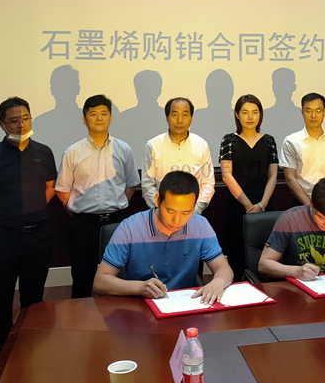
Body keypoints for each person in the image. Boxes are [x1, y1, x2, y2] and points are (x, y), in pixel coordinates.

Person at [0, 97, 57, 358]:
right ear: (2, 125)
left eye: (25, 118)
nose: (21, 125)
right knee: (1, 298)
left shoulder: (44, 152)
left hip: (38, 235)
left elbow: (49, 188)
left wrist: (31, 211)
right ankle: (4, 354)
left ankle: (33, 346)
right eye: (14, 121)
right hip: (3, 239)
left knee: (34, 298)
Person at [93, 171, 234, 304]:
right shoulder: (130, 228)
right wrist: (140, 287)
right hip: (140, 305)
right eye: (170, 211)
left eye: (186, 212)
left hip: (186, 303)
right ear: (158, 200)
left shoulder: (201, 226)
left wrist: (218, 281)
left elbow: (224, 269)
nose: (177, 220)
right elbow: (100, 282)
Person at [54, 94, 140, 298]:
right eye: (93, 114)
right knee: (82, 277)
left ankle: (119, 316)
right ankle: (82, 316)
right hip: (84, 225)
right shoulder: (72, 152)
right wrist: (78, 211)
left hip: (116, 222)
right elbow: (62, 190)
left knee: (119, 276)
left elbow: (131, 184)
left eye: (104, 113)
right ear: (84, 120)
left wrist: (119, 204)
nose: (99, 118)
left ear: (111, 118)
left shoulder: (124, 149)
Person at [258, 177, 325, 281]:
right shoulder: (289, 220)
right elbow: (264, 264)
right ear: (311, 203)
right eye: (321, 218)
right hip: (294, 286)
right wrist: (296, 271)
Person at [219, 94, 278, 275]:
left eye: (255, 112)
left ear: (260, 114)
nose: (250, 117)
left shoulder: (269, 140)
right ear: (237, 115)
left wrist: (262, 205)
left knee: (265, 251)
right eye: (245, 112)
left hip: (264, 204)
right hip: (238, 204)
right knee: (237, 251)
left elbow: (273, 176)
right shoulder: (228, 140)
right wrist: (248, 206)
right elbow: (227, 175)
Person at [142, 97, 215, 214]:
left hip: (194, 214)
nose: (180, 120)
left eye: (185, 115)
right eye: (175, 115)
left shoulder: (201, 145)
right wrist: (162, 208)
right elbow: (147, 184)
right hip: (162, 215)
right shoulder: (153, 145)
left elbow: (208, 183)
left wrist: (195, 209)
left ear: (191, 118)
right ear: (167, 117)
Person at [279, 92, 325, 205]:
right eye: (309, 111)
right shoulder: (291, 141)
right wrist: (309, 205)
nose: (313, 115)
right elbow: (290, 178)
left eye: (318, 110)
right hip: (301, 201)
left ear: (324, 113)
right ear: (302, 112)